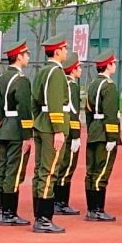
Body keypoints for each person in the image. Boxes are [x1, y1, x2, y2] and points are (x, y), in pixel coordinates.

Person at [31, 34, 70, 233]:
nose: (66, 52)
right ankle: (44, 218)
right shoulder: (56, 72)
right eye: (65, 48)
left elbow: (35, 100)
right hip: (51, 127)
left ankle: (39, 215)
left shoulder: (43, 71)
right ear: (58, 51)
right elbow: (55, 102)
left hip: (42, 123)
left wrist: (38, 119)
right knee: (49, 171)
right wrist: (58, 130)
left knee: (40, 171)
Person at [0, 39, 33, 226]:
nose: (28, 57)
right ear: (19, 57)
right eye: (26, 54)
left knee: (2, 168)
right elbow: (24, 108)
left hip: (4, 128)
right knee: (14, 171)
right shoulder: (21, 80)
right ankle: (10, 213)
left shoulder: (1, 78)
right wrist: (27, 134)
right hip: (17, 129)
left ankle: (2, 210)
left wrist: (4, 123)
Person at [84, 50, 120, 222]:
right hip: (105, 132)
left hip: (94, 130)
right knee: (101, 171)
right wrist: (112, 137)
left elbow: (88, 111)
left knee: (91, 171)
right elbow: (111, 113)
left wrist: (92, 128)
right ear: (108, 66)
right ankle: (97, 209)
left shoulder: (92, 85)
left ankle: (91, 208)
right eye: (113, 64)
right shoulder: (109, 86)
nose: (115, 66)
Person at [53, 52, 82, 215]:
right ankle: (61, 202)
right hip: (70, 132)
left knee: (61, 165)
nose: (81, 70)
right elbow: (73, 112)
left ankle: (58, 200)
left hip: (64, 129)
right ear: (73, 69)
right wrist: (76, 135)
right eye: (79, 67)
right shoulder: (72, 86)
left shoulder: (64, 83)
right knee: (67, 166)